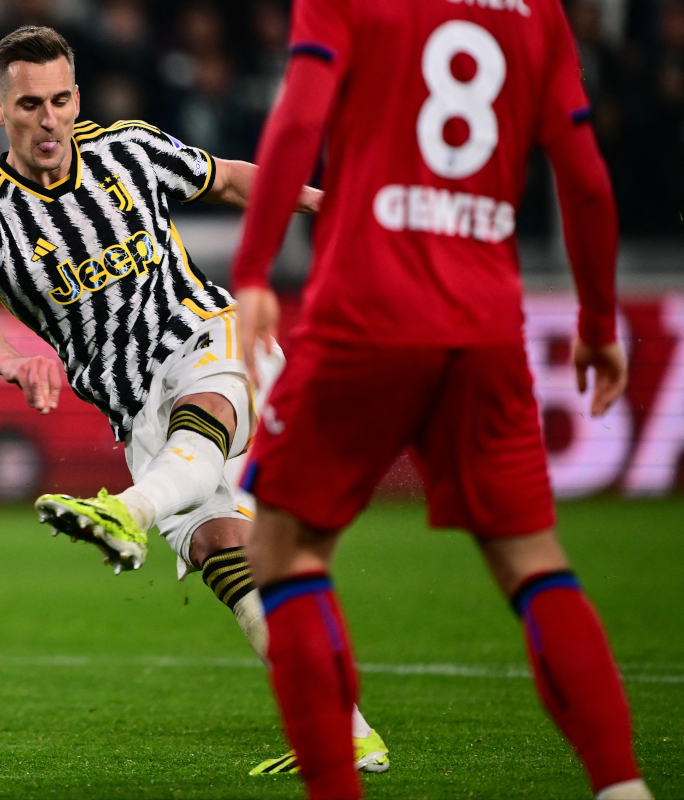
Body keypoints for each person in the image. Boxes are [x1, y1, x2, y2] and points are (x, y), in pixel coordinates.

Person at [0, 24, 389, 776]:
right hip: (138, 415)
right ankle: (349, 734)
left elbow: (229, 177)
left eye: (58, 101)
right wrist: (16, 360)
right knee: (225, 550)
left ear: (75, 97)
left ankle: (127, 512)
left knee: (204, 405)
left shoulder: (130, 149)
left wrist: (324, 203)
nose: (47, 120)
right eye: (27, 106)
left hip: (212, 338)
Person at [229, 0, 650, 798]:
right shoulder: (539, 14)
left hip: (365, 313)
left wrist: (252, 270)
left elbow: (295, 126)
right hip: (486, 325)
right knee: (532, 561)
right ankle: (622, 786)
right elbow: (587, 180)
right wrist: (598, 319)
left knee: (283, 549)